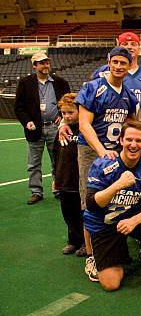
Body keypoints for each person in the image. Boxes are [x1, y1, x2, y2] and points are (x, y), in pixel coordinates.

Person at [83, 120, 141, 296]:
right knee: (111, 284)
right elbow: (91, 203)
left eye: (139, 141)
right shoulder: (103, 164)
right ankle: (94, 258)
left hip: (128, 216)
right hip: (104, 223)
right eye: (129, 139)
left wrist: (134, 220)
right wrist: (117, 185)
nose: (133, 145)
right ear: (121, 140)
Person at [74, 46, 139, 282]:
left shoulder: (129, 95)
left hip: (117, 153)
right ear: (109, 61)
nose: (119, 66)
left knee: (117, 197)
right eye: (116, 62)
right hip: (93, 151)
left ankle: (112, 243)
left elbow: (132, 125)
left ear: (129, 65)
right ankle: (91, 255)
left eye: (124, 62)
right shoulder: (93, 87)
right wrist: (102, 150)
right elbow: (84, 124)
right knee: (90, 201)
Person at [14, 51, 70, 204]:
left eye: (47, 62)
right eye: (42, 63)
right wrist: (27, 122)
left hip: (56, 128)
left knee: (58, 161)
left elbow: (68, 103)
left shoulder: (61, 82)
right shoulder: (25, 83)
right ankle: (36, 192)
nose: (46, 65)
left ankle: (58, 188)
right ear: (34, 66)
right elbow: (19, 107)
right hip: (34, 129)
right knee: (33, 164)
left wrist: (62, 115)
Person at [53, 93, 85, 256]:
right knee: (68, 212)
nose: (66, 116)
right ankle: (73, 240)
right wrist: (55, 177)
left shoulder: (86, 129)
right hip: (64, 179)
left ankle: (86, 242)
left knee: (83, 212)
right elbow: (55, 154)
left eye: (70, 112)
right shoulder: (62, 131)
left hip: (80, 179)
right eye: (64, 113)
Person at [91, 32, 141, 102]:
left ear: (139, 50)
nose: (129, 47)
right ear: (118, 47)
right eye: (125, 44)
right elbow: (89, 97)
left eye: (133, 44)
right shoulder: (103, 71)